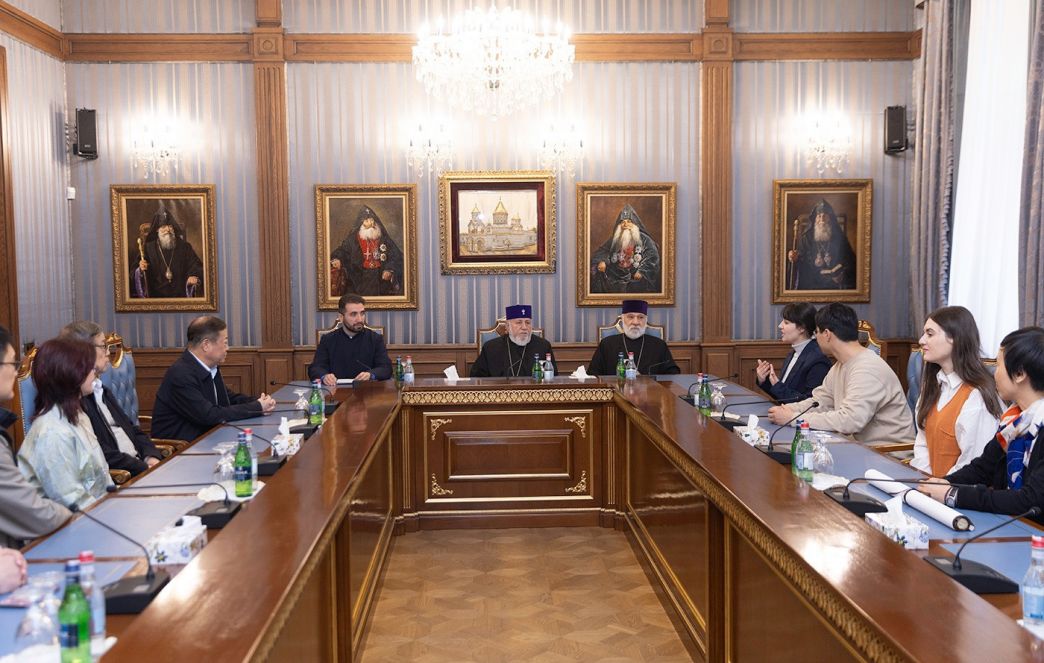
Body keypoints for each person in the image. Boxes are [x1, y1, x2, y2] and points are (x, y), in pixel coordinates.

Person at [918, 327, 1044, 522]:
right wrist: (943, 483)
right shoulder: (1015, 421)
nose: (994, 373)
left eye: (998, 365)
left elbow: (1030, 500)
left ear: (1019, 373)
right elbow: (983, 468)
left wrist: (953, 495)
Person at [767, 303, 915, 446]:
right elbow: (820, 401)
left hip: (887, 454)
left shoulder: (867, 368)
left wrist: (793, 418)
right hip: (857, 448)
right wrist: (789, 409)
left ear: (827, 334)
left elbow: (850, 421)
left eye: (816, 332)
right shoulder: (840, 364)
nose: (815, 337)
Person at [18, 338, 114, 511]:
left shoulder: (79, 415)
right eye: (88, 367)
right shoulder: (52, 433)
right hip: (70, 523)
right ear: (69, 373)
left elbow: (101, 476)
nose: (95, 371)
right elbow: (72, 502)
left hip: (99, 512)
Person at [59, 321, 164, 476]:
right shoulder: (74, 401)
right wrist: (143, 467)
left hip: (140, 467)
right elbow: (100, 453)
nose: (108, 352)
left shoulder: (100, 389)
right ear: (82, 351)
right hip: (122, 475)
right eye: (103, 346)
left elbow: (132, 429)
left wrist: (151, 456)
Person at [0, 325, 71, 548]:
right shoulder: (49, 430)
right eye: (13, 364)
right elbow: (37, 515)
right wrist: (71, 514)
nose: (16, 372)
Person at [910, 307, 1003, 476]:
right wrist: (926, 479)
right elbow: (922, 442)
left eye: (930, 334)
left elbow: (973, 464)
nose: (921, 340)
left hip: (960, 488)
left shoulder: (977, 396)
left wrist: (941, 484)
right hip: (930, 485)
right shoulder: (933, 385)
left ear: (954, 338)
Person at [151, 316, 276, 441]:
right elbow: (208, 415)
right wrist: (257, 407)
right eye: (225, 342)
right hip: (181, 447)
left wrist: (258, 401)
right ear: (206, 345)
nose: (228, 348)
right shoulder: (181, 375)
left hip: (208, 438)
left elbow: (228, 399)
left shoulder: (209, 367)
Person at [308, 294, 393, 385]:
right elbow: (315, 368)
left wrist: (370, 375)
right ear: (341, 317)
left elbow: (386, 368)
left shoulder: (375, 339)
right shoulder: (328, 340)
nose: (359, 319)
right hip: (335, 390)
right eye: (353, 314)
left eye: (362, 313)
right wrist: (324, 376)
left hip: (366, 390)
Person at [755, 302, 831, 402]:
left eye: (786, 322)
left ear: (801, 328)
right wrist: (763, 380)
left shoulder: (818, 360)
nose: (780, 326)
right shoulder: (792, 353)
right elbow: (783, 395)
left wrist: (777, 385)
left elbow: (811, 403)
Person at [587, 299, 679, 376]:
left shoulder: (659, 345)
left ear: (646, 320)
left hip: (650, 391)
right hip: (615, 390)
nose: (635, 322)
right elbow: (593, 373)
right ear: (623, 319)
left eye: (640, 317)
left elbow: (673, 374)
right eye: (630, 317)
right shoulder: (607, 344)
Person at [329, 205, 404, 297]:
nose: (371, 223)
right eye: (367, 220)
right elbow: (343, 251)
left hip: (380, 278)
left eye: (372, 220)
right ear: (361, 223)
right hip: (359, 278)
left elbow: (395, 255)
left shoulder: (383, 237)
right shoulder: (353, 238)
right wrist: (338, 259)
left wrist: (389, 269)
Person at [132, 208, 204, 298]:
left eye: (170, 226)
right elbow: (134, 270)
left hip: (181, 294)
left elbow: (196, 265)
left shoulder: (184, 247)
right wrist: (140, 269)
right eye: (163, 227)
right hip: (155, 295)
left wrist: (193, 276)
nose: (168, 230)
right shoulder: (148, 248)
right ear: (157, 230)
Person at [786, 200, 857, 291]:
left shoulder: (839, 237)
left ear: (830, 218)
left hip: (834, 283)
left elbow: (850, 260)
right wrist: (794, 257)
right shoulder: (807, 237)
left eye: (825, 215)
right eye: (819, 216)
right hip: (812, 281)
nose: (822, 219)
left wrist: (842, 275)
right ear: (815, 219)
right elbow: (801, 259)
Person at [590, 204, 661, 294]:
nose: (625, 224)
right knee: (600, 275)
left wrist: (642, 271)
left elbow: (652, 256)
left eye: (629, 221)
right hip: (615, 274)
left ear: (634, 224)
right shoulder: (616, 238)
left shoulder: (644, 239)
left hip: (634, 275)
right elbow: (603, 251)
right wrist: (602, 261)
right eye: (622, 222)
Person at [470, 305, 557, 378]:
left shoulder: (543, 346)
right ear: (507, 327)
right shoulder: (491, 348)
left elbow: (553, 378)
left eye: (527, 323)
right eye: (519, 322)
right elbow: (477, 378)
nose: (524, 327)